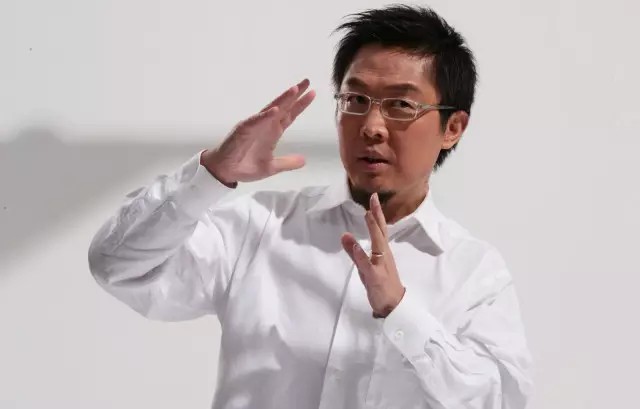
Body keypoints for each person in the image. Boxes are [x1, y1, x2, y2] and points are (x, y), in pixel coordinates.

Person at [88, 4, 533, 409]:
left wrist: (400, 312)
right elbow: (116, 266)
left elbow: (499, 401)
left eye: (400, 104)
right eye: (356, 100)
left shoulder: (474, 271)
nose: (372, 126)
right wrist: (211, 174)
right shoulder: (261, 226)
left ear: (452, 127)